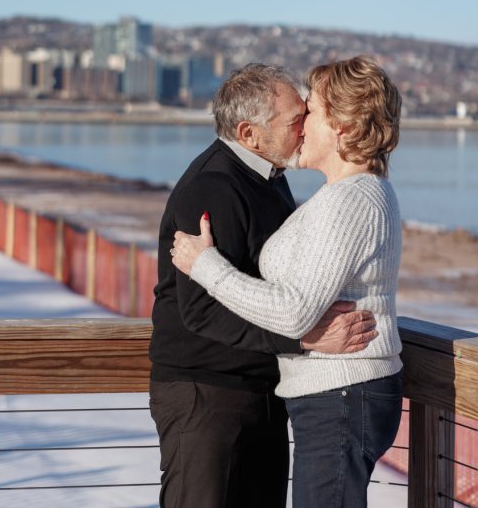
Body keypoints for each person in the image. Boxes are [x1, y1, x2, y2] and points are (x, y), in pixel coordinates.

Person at [172, 55, 403, 508]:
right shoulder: (338, 195)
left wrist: (206, 267)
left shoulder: (351, 201)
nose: (302, 125)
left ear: (343, 126)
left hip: (341, 392)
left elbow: (294, 311)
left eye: (310, 112)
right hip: (330, 393)